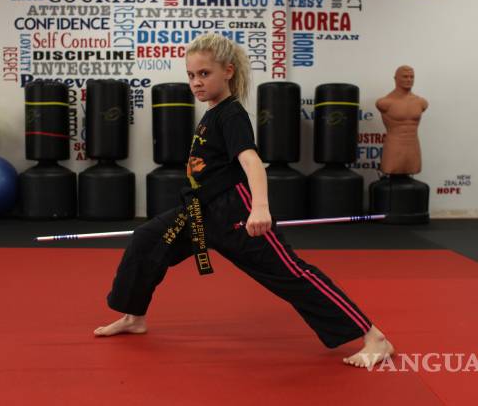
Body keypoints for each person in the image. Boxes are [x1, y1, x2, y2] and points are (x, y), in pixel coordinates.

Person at [94, 33, 393, 368]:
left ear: (228, 72)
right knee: (147, 240)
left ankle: (374, 337)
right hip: (200, 212)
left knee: (290, 274)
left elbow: (251, 161)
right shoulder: (211, 114)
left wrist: (260, 208)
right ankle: (134, 316)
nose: (196, 82)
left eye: (204, 73)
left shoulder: (231, 114)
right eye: (191, 75)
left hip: (235, 214)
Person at [376, 65, 429, 175]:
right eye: (405, 76)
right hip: (394, 146)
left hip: (413, 146)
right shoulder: (385, 103)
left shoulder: (421, 102)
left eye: (411, 77)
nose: (409, 79)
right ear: (395, 79)